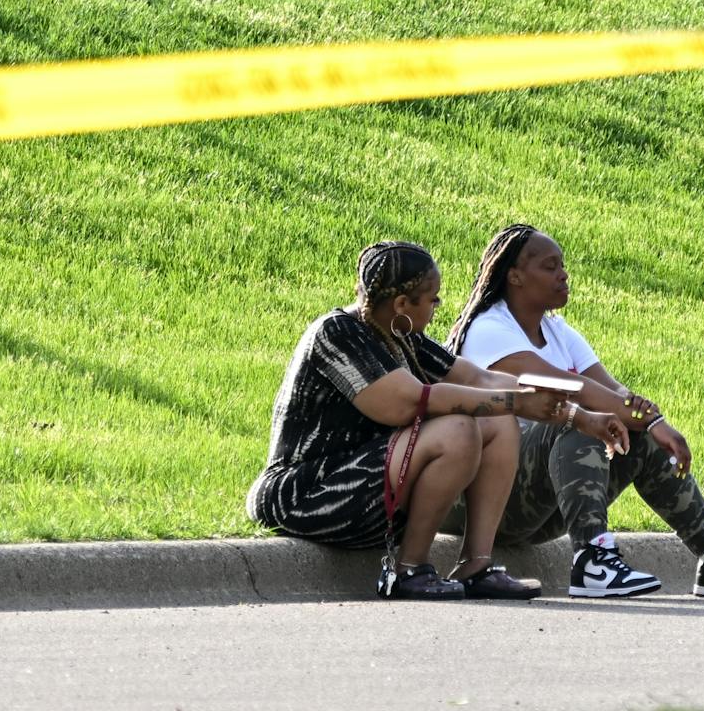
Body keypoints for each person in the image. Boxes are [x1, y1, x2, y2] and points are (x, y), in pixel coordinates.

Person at [246, 240, 632, 601]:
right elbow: (406, 403)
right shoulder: (337, 333)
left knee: (497, 422)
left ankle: (475, 567)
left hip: (366, 491)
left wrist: (574, 414)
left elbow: (479, 378)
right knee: (459, 427)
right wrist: (514, 401)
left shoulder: (402, 336)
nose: (437, 306)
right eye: (431, 300)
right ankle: (408, 570)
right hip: (305, 493)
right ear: (401, 303)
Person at [446, 224, 704, 601]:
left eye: (563, 265)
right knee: (576, 418)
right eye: (550, 266)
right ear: (515, 276)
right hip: (486, 503)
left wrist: (651, 421)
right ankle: (593, 560)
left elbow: (614, 392)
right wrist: (638, 417)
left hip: (542, 507)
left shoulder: (559, 332)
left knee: (631, 433)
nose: (563, 275)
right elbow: (568, 388)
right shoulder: (488, 330)